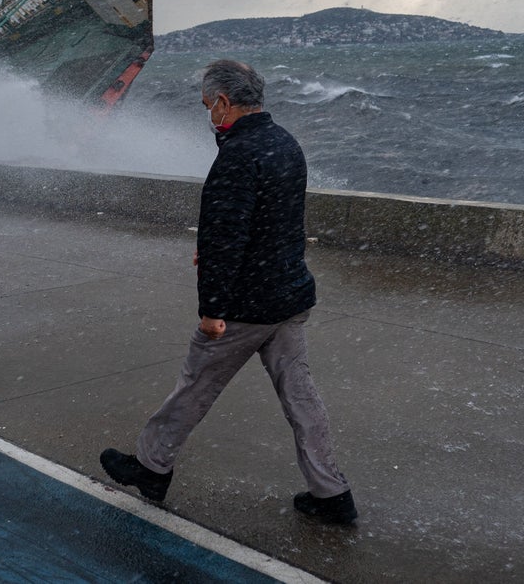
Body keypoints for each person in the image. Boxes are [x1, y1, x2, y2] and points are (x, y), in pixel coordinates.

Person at [100, 59, 357, 525]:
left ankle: (152, 468)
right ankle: (332, 492)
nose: (208, 116)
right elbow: (278, 223)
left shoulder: (237, 156)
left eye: (207, 106)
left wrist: (212, 310)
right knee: (301, 399)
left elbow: (224, 237)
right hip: (289, 295)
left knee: (194, 386)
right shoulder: (284, 143)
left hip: (246, 304)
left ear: (223, 102)